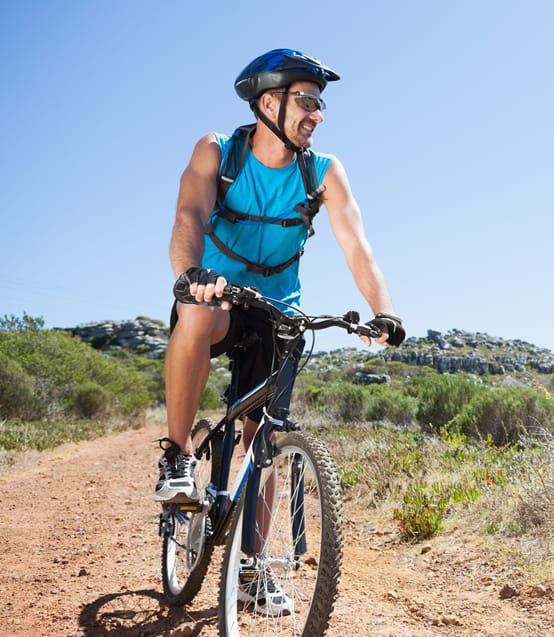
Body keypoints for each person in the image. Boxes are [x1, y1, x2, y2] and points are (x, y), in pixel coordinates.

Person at [155, 49, 405, 614]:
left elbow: (357, 247)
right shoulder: (219, 152)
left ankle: (252, 569)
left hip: (277, 312)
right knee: (195, 315)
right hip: (216, 294)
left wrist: (384, 311)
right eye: (307, 102)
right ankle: (176, 456)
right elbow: (188, 217)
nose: (318, 114)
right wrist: (190, 276)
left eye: (321, 105)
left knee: (264, 440)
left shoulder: (322, 172)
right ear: (269, 102)